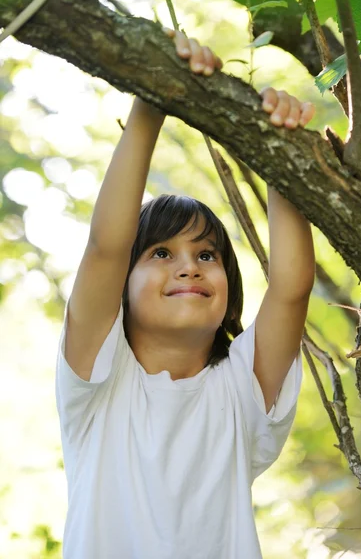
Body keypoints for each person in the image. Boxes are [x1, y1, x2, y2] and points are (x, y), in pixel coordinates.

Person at [55, 28, 316, 559]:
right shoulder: (97, 382)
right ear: (120, 290)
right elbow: (108, 245)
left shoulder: (241, 391)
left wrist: (281, 150)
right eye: (160, 254)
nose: (188, 269)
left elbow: (291, 287)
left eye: (206, 255)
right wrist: (153, 100)